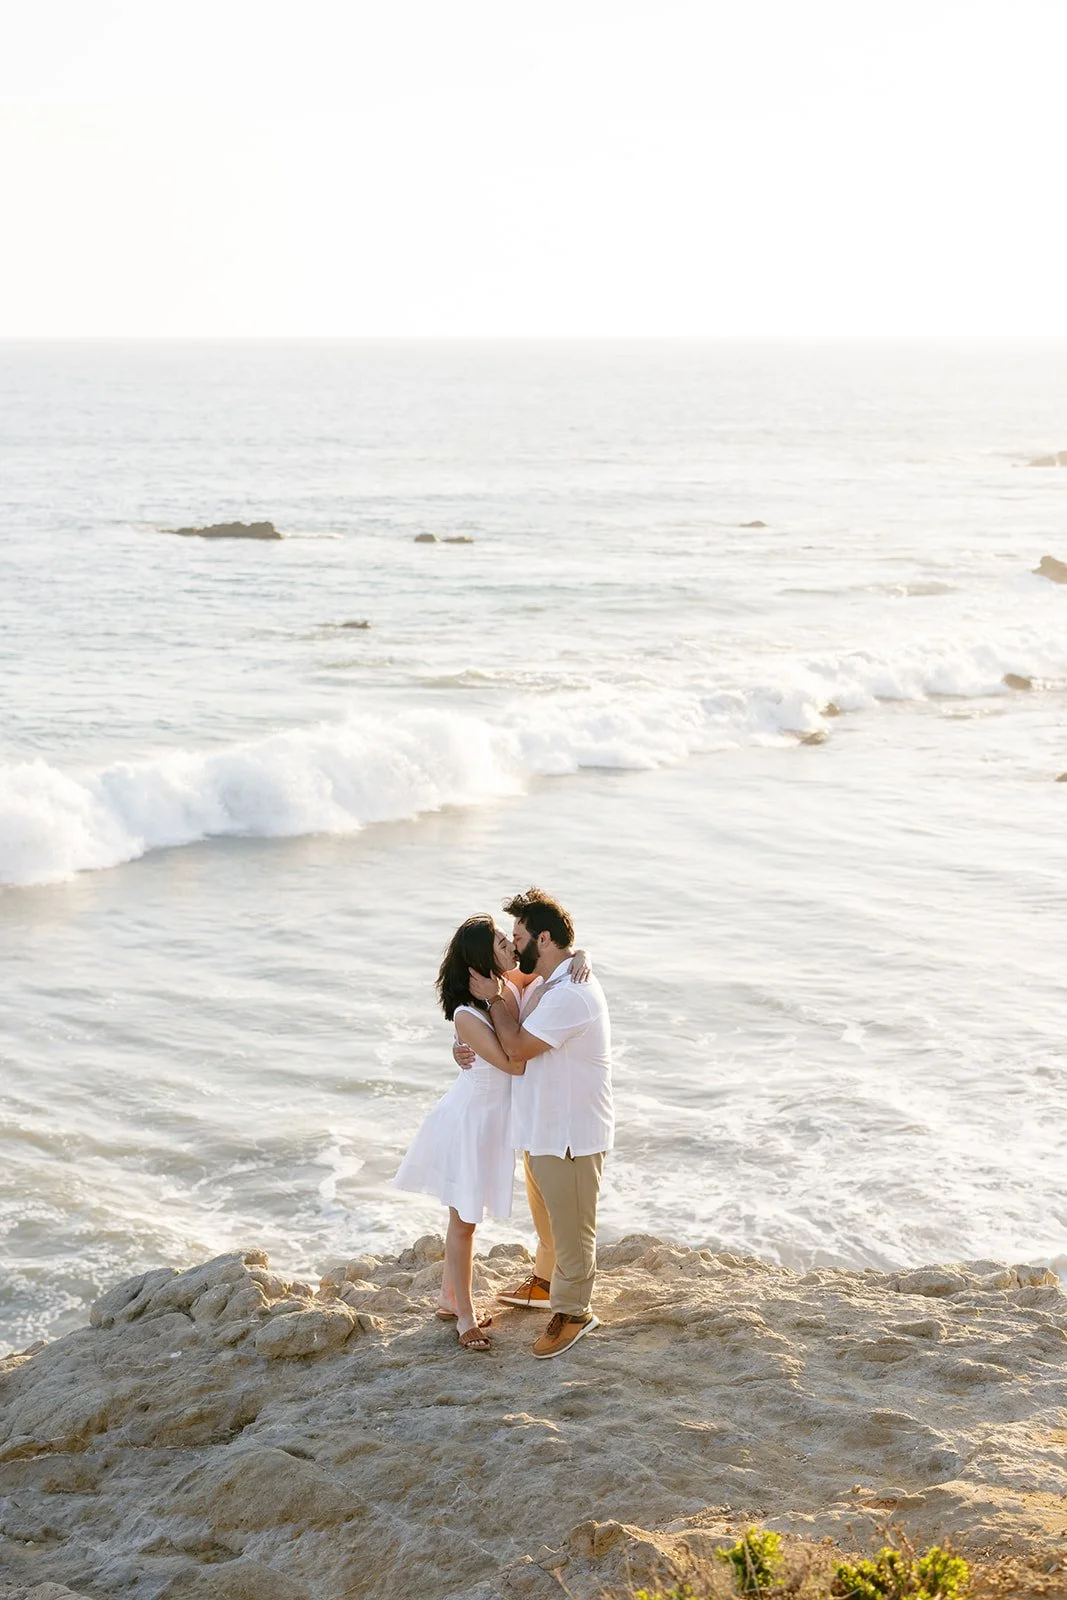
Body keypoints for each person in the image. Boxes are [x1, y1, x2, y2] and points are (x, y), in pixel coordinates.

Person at [468, 888, 613, 1360]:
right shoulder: (549, 980)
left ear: (543, 939)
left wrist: (491, 1001)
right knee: (549, 1221)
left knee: (572, 1229)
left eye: (519, 936)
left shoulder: (571, 994)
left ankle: (574, 1312)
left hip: (570, 1134)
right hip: (542, 1130)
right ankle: (548, 1283)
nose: (514, 945)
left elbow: (516, 1047)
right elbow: (504, 978)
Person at [392, 915, 525, 1350]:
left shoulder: (500, 992)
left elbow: (551, 968)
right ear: (482, 959)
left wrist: (582, 956)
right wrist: (501, 1000)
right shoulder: (470, 1015)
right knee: (464, 1222)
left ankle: (450, 1299)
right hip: (469, 1124)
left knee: (464, 1218)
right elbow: (513, 1063)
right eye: (502, 943)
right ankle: (463, 1317)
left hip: (486, 1123)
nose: (510, 946)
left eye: (509, 940)